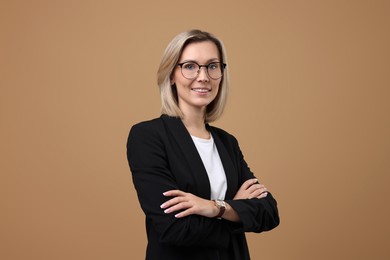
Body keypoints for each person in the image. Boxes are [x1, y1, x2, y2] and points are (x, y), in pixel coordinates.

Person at [126, 29, 279, 260]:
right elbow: (174, 229)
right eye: (190, 66)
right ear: (171, 75)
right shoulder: (148, 136)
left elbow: (268, 212)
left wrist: (213, 207)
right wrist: (235, 209)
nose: (203, 76)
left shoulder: (227, 142)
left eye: (212, 66)